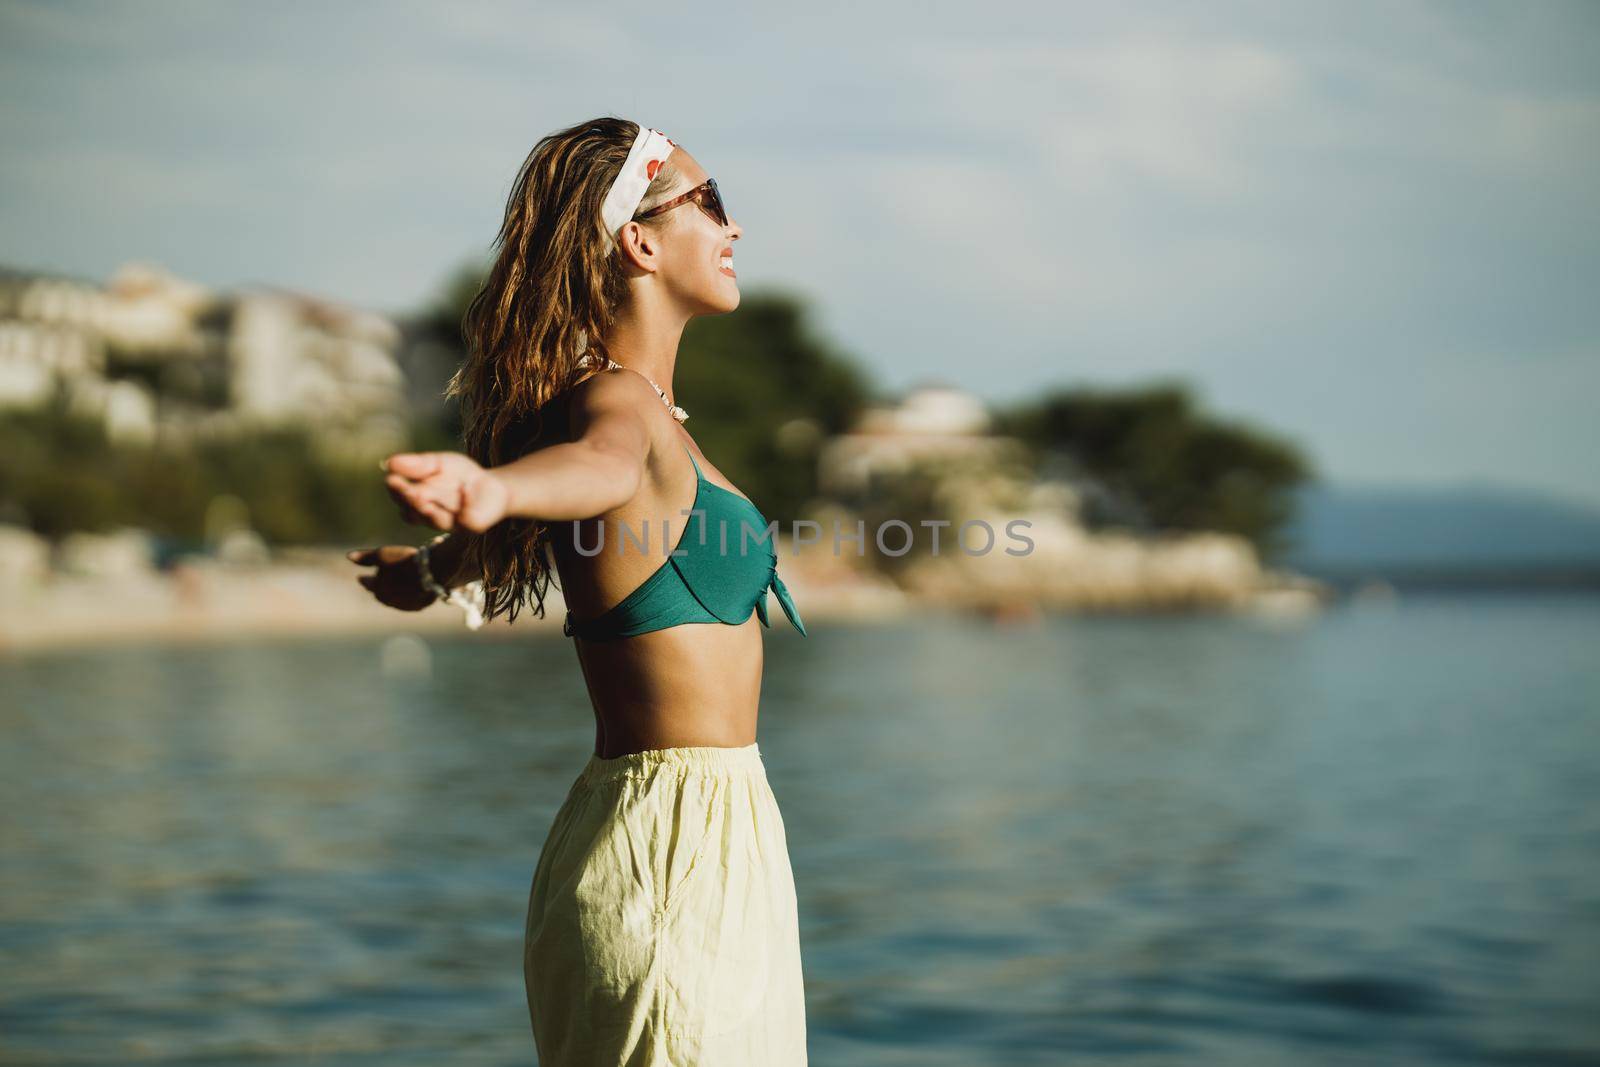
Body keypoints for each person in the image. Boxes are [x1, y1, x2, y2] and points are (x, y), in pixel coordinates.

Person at [346, 118, 809, 1066]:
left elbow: (581, 513)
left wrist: (433, 569)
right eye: (710, 203)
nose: (736, 229)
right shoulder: (617, 406)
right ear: (639, 240)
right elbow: (593, 469)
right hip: (665, 858)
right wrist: (495, 489)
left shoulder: (654, 414)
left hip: (712, 848)